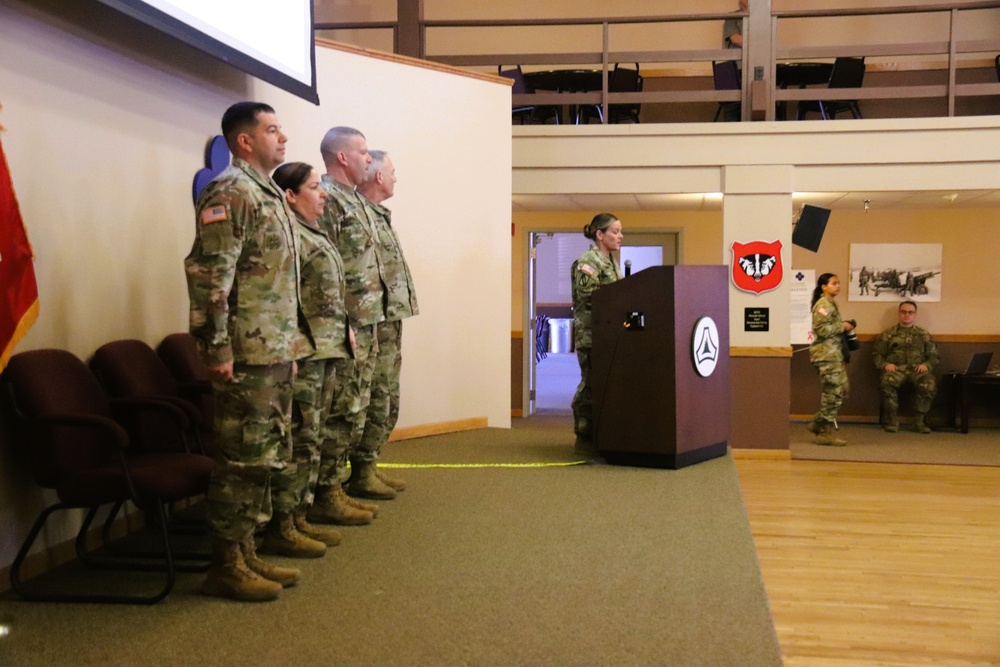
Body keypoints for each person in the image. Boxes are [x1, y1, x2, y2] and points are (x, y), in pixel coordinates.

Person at [184, 102, 315, 601]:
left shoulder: (269, 195)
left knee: (266, 455)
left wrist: (294, 343)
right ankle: (224, 562)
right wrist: (215, 347)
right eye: (272, 130)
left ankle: (247, 550)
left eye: (281, 129)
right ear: (244, 140)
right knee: (241, 458)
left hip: (275, 348)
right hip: (245, 353)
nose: (283, 138)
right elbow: (210, 275)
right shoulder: (231, 192)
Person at [269, 162, 374, 546]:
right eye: (314, 187)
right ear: (291, 196)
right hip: (305, 352)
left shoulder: (314, 233)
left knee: (314, 435)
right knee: (299, 437)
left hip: (327, 347)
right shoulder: (288, 238)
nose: (323, 193)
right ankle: (283, 524)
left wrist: (344, 326)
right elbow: (283, 297)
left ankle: (300, 513)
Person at [317, 126, 398, 501]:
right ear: (343, 157)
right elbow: (324, 265)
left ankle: (352, 478)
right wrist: (341, 320)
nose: (370, 158)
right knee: (342, 409)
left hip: (370, 321)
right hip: (346, 324)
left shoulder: (356, 202)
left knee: (361, 405)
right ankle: (328, 491)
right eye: (363, 152)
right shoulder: (328, 200)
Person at [355, 150, 419, 493]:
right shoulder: (354, 213)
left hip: (388, 320)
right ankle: (359, 473)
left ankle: (369, 465)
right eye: (392, 171)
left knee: (387, 399)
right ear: (378, 176)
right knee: (371, 399)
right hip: (369, 324)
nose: (395, 177)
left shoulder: (377, 215)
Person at [570, 213, 624, 458]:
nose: (620, 236)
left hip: (610, 335)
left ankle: (601, 437)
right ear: (599, 234)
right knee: (591, 385)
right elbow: (589, 298)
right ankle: (583, 436)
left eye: (621, 231)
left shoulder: (611, 261)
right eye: (614, 231)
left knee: (606, 387)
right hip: (591, 335)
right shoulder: (588, 261)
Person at [873, 301, 938, 433]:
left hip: (917, 370)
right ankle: (892, 420)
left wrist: (926, 365)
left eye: (910, 312)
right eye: (903, 312)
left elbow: (934, 356)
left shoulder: (923, 335)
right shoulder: (888, 334)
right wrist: (886, 364)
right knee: (886, 382)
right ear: (899, 313)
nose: (906, 315)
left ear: (915, 315)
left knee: (929, 384)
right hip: (896, 370)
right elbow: (877, 355)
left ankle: (919, 421)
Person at [807, 273, 854, 446]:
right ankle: (824, 431)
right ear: (823, 286)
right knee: (833, 392)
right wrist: (843, 326)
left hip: (834, 354)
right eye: (834, 283)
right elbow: (822, 329)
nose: (838, 286)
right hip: (826, 356)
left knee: (841, 390)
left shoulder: (831, 303)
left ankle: (817, 423)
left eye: (839, 283)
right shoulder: (822, 305)